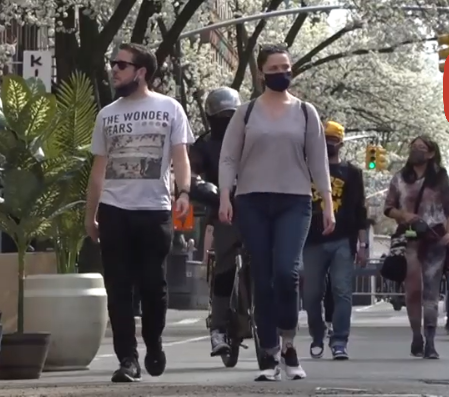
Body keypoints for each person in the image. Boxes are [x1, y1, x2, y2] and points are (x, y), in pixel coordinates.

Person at [217, 44, 335, 382]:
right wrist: (226, 194)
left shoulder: (305, 112)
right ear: (261, 73)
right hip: (252, 201)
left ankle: (288, 343)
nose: (282, 71)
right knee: (263, 278)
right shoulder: (247, 112)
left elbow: (318, 160)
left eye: (286, 66)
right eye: (275, 67)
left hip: (294, 202)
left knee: (287, 272)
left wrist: (326, 203)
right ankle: (268, 354)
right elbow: (229, 156)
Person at [85, 43, 193, 383]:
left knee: (153, 285)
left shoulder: (170, 108)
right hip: (115, 210)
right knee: (118, 288)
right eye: (112, 63)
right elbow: (98, 169)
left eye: (121, 64)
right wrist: (91, 215)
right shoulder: (107, 115)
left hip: (155, 210)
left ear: (141, 72)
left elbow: (180, 157)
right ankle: (127, 360)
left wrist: (184, 192)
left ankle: (154, 341)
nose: (114, 70)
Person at [383, 136, 449, 359]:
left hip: (434, 239)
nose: (416, 151)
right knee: (413, 290)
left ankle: (431, 342)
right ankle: (417, 335)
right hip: (409, 238)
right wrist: (403, 215)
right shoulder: (399, 179)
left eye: (422, 148)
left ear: (431, 153)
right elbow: (388, 208)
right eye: (414, 147)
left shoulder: (440, 179)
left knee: (431, 293)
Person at [302, 121, 368, 361]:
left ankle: (339, 340)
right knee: (311, 294)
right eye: (324, 139)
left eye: (333, 139)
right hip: (311, 240)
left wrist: (363, 245)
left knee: (342, 291)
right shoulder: (306, 169)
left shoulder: (352, 173)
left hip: (343, 240)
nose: (328, 144)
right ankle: (318, 335)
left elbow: (360, 210)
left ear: (340, 143)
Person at [188, 86, 242, 357]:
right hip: (223, 210)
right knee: (225, 265)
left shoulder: (252, 137)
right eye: (222, 117)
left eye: (232, 115)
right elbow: (191, 171)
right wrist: (200, 187)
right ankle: (218, 327)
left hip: (255, 207)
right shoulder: (204, 145)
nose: (228, 121)